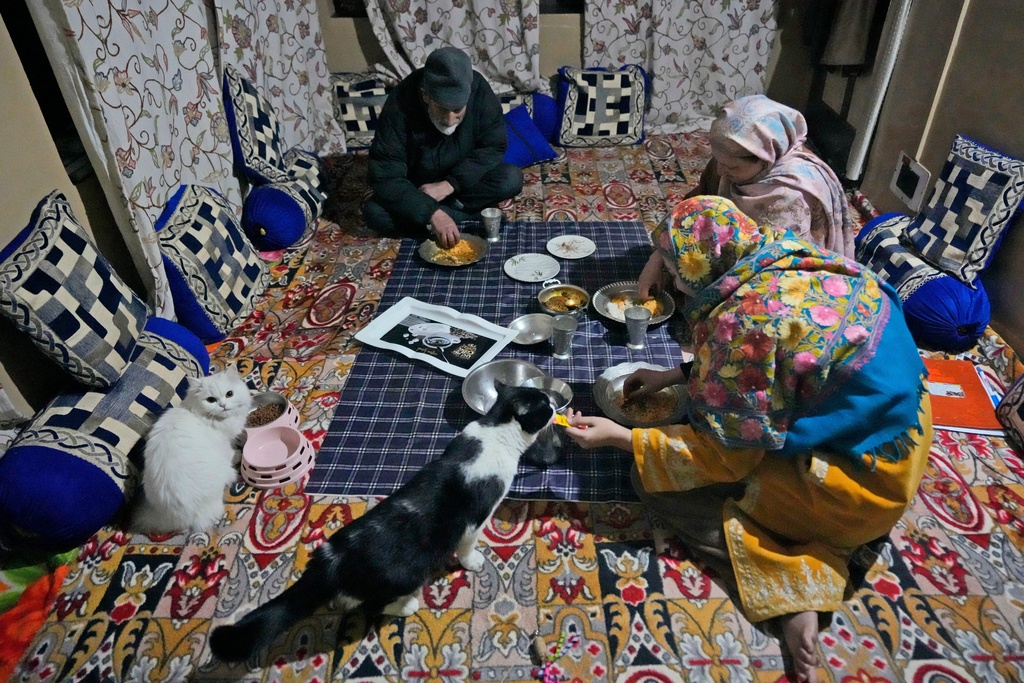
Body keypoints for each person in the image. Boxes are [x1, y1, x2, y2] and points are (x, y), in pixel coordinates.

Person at [565, 196, 932, 683]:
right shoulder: (784, 254)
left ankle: (799, 581)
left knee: (653, 480)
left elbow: (725, 459)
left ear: (698, 269)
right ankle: (820, 540)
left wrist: (621, 438)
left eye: (675, 273)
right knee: (710, 414)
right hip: (903, 431)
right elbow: (781, 361)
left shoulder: (741, 324)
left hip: (858, 481)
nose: (674, 283)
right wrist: (674, 374)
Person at [637, 94, 856, 300]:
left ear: (765, 159)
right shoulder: (729, 162)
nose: (720, 171)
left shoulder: (790, 196)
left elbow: (770, 272)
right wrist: (657, 257)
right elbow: (693, 210)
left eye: (730, 166)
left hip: (773, 278)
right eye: (718, 160)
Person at [363, 47, 523, 248]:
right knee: (374, 213)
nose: (449, 119)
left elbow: (493, 147)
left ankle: (442, 217)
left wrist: (450, 184)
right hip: (419, 188)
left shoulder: (479, 90)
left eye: (457, 110)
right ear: (425, 95)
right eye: (441, 108)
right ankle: (460, 217)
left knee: (510, 178)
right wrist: (431, 212)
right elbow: (385, 175)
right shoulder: (399, 102)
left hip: (462, 182)